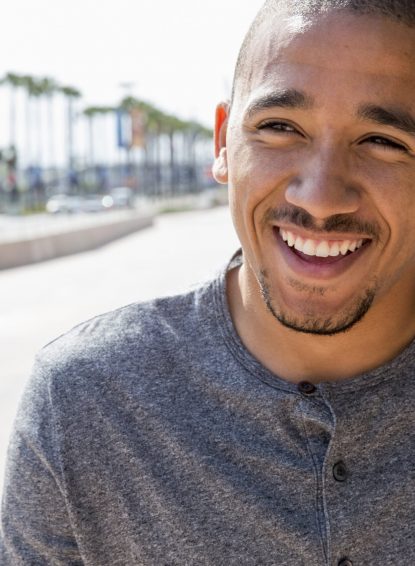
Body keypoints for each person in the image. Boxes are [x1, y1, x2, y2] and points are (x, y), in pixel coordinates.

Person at [2, 0, 415, 563]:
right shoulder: (84, 400)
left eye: (383, 141)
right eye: (279, 128)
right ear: (223, 143)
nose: (319, 197)